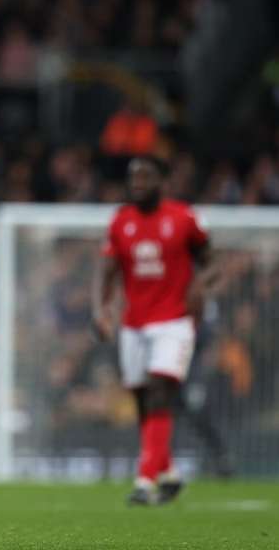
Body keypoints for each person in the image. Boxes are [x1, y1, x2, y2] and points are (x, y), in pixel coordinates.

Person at [93, 155, 217, 505]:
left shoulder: (184, 218)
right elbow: (106, 270)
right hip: (133, 324)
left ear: (163, 180)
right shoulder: (122, 221)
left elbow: (211, 263)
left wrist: (200, 285)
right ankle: (168, 472)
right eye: (134, 178)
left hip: (175, 321)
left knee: (160, 389)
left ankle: (145, 481)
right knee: (144, 400)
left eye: (146, 177)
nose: (138, 184)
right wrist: (101, 310)